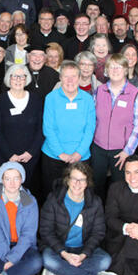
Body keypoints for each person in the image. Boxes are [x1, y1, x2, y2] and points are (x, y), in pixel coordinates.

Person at [39, 162, 121, 275]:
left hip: (83, 249)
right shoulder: (54, 199)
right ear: (67, 180)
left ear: (87, 183)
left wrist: (83, 255)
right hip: (59, 248)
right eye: (74, 179)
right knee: (48, 260)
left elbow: (98, 233)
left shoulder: (95, 202)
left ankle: (58, 270)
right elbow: (46, 231)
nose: (77, 184)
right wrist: (65, 254)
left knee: (105, 261)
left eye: (82, 180)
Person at [91, 54, 138, 199]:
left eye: (119, 66)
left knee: (120, 187)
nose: (115, 70)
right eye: (111, 67)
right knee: (97, 185)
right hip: (98, 148)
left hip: (121, 151)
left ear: (126, 70)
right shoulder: (99, 91)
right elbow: (92, 119)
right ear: (106, 70)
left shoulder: (135, 94)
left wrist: (128, 151)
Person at [41, 61, 96, 201]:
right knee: (53, 195)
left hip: (81, 157)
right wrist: (61, 153)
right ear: (60, 78)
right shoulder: (51, 98)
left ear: (79, 78)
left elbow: (90, 129)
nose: (70, 80)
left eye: (73, 76)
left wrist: (78, 153)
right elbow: (48, 129)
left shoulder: (88, 99)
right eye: (66, 76)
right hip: (53, 156)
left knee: (78, 195)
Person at [0, 64, 44, 192]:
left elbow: (41, 129)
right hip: (5, 156)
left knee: (28, 192)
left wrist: (31, 152)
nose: (18, 80)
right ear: (9, 78)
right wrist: (10, 155)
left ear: (27, 79)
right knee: (8, 192)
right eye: (15, 76)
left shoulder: (36, 100)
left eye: (22, 76)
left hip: (30, 157)